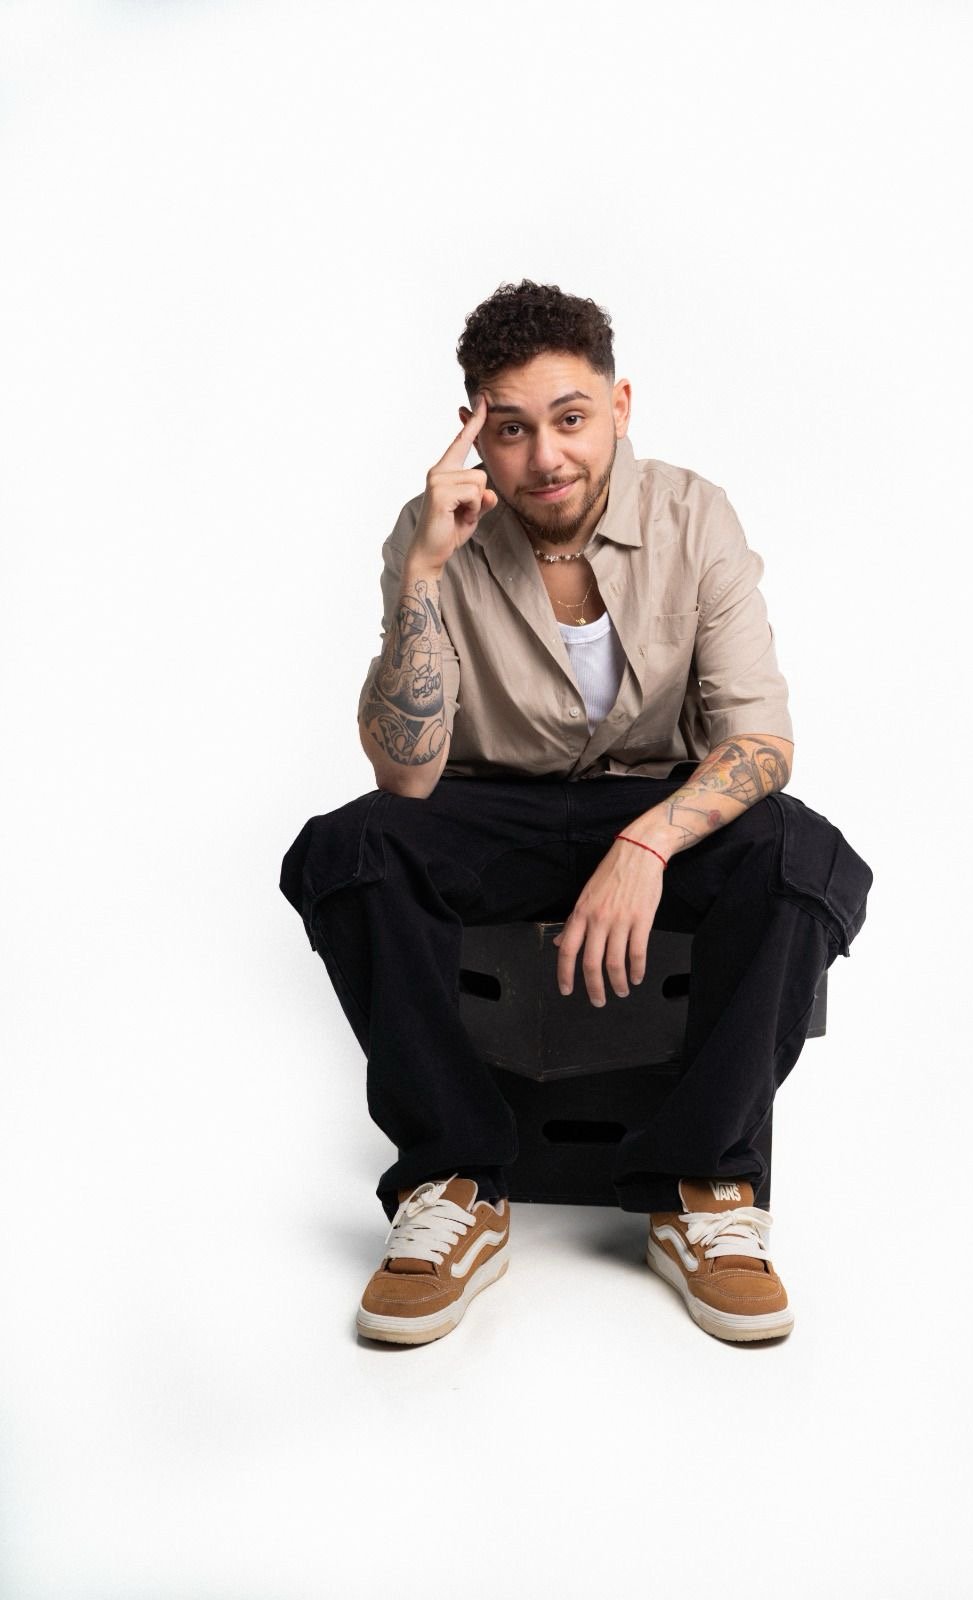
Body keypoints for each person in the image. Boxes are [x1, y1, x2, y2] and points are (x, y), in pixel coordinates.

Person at [280, 279, 872, 1348]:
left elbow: (760, 739)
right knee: (349, 850)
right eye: (510, 429)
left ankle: (702, 1188)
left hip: (655, 798)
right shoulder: (432, 533)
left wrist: (646, 841)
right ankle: (454, 1182)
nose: (545, 457)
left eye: (570, 418)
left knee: (801, 855)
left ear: (619, 405)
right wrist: (422, 574)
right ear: (475, 433)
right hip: (490, 809)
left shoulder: (694, 515)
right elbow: (406, 778)